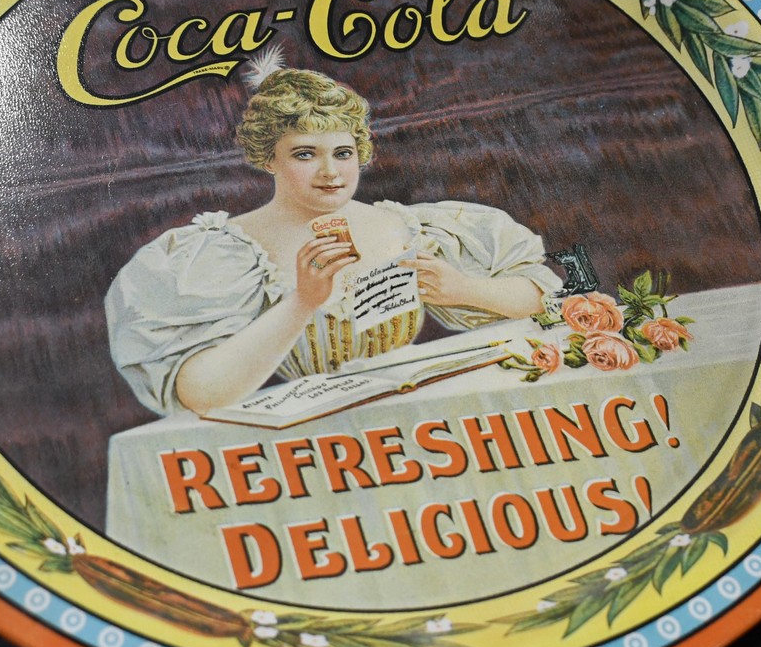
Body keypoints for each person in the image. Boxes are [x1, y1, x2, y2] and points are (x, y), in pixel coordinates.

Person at [105, 64, 561, 416]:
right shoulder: (221, 251)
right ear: (269, 159)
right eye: (305, 154)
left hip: (418, 415)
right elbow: (199, 393)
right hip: (307, 433)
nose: (331, 172)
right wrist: (302, 302)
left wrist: (465, 288)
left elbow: (544, 297)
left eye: (343, 153)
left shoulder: (409, 227)